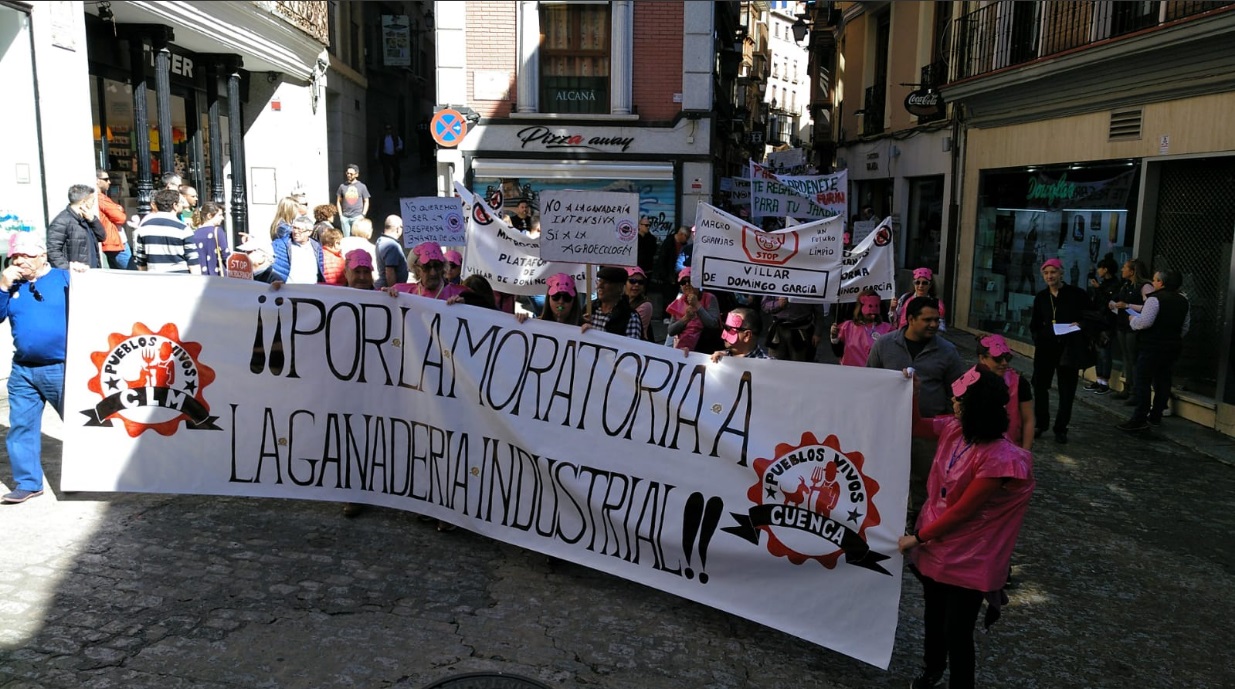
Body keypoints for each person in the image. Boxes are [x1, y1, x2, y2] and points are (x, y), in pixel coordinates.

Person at [898, 367, 1035, 689]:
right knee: (933, 618)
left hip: (971, 559)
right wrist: (913, 391)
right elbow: (916, 425)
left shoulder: (1002, 459)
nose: (953, 403)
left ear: (975, 405)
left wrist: (916, 537)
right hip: (938, 547)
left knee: (957, 630)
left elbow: (963, 511)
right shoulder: (954, 429)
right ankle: (932, 669)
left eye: (959, 399)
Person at [867, 296, 966, 520]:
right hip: (889, 427)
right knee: (886, 477)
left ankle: (918, 524)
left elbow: (958, 392)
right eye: (927, 319)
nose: (934, 324)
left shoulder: (947, 351)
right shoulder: (884, 344)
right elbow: (870, 381)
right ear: (910, 319)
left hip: (929, 430)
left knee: (924, 479)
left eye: (937, 320)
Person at [0, 232, 70, 504]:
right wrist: (3, 287)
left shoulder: (65, 279)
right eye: (15, 256)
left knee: (83, 424)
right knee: (21, 426)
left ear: (43, 255)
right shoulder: (10, 285)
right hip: (23, 371)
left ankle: (105, 472)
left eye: (26, 255)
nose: (20, 261)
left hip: (62, 367)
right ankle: (28, 483)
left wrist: (84, 273)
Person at [1117, 269, 1190, 432]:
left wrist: (1132, 319)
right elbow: (1185, 327)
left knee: (1143, 380)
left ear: (1162, 283)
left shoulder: (1155, 299)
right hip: (1172, 346)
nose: (1153, 283)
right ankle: (1156, 415)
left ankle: (1139, 418)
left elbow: (1145, 322)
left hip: (1152, 345)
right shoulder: (1184, 301)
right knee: (1163, 380)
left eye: (1155, 280)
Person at [1029, 257, 1091, 444]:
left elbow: (1091, 316)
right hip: (1046, 347)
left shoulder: (1077, 294)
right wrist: (1040, 336)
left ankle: (1061, 427)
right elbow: (1035, 323)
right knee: (1040, 385)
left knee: (1067, 389)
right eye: (1046, 273)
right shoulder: (1041, 297)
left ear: (1061, 273)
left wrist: (1080, 324)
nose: (1050, 276)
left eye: (1053, 272)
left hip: (1068, 347)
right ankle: (1041, 423)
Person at [340, 249, 379, 518]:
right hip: (346, 384)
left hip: (381, 384)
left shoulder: (387, 298)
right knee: (351, 435)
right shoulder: (329, 298)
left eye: (367, 272)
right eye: (358, 272)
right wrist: (277, 290)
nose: (363, 277)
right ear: (347, 273)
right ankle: (354, 492)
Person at [976, 334, 1034, 450]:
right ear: (982, 358)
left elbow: (1028, 419)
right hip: (979, 451)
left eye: (1007, 358)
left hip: (1011, 450)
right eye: (997, 358)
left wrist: (1025, 453)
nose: (1004, 363)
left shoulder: (1019, 383)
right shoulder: (972, 381)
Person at [1109, 258, 1153, 403]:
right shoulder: (1126, 285)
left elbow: (1150, 306)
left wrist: (1128, 305)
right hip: (1122, 324)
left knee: (1133, 359)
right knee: (1126, 358)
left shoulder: (1145, 286)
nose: (1122, 270)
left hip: (1134, 326)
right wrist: (1114, 305)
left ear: (1132, 271)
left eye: (1125, 267)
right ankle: (1127, 387)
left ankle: (1136, 392)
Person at [133, 189, 200, 274]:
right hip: (181, 278)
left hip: (155, 277)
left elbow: (141, 261)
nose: (182, 205)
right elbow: (193, 261)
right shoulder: (183, 228)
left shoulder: (144, 227)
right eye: (181, 203)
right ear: (175, 205)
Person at [47, 183, 107, 271]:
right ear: (83, 202)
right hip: (76, 274)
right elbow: (52, 250)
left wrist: (93, 220)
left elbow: (102, 237)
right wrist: (69, 269)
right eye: (92, 201)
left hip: (92, 271)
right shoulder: (62, 221)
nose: (93, 204)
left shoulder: (88, 218)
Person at [830, 288, 895, 367]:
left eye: (876, 306)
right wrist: (834, 338)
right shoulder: (846, 327)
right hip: (850, 374)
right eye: (870, 306)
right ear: (861, 307)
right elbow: (838, 353)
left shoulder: (887, 329)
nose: (873, 311)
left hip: (875, 375)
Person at [1084, 255, 1121, 394]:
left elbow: (1110, 302)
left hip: (1108, 323)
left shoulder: (1115, 285)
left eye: (1100, 268)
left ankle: (1105, 382)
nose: (1098, 271)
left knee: (1105, 352)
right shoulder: (1103, 284)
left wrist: (1098, 289)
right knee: (1097, 351)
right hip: (1097, 321)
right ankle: (1098, 379)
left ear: (1106, 269)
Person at [666, 268, 721, 353]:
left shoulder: (709, 298)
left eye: (690, 281)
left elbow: (713, 324)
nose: (687, 284)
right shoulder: (678, 302)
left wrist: (697, 305)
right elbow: (671, 331)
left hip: (704, 350)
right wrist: (686, 318)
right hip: (681, 350)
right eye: (683, 282)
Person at [257, 215, 324, 284]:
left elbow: (322, 270)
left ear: (309, 232)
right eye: (294, 228)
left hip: (311, 290)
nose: (295, 232)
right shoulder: (280, 245)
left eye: (300, 229)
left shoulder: (317, 247)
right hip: (289, 290)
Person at [582, 266, 644, 339]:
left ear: (619, 287)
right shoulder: (589, 310)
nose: (599, 286)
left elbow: (631, 347)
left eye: (606, 282)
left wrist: (595, 335)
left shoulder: (630, 317)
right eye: (599, 281)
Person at [392, 241, 465, 300]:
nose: (433, 273)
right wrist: (386, 296)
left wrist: (465, 304)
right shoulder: (401, 292)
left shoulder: (461, 293)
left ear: (443, 267)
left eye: (437, 265)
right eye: (426, 267)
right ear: (417, 270)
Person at [762, 295, 824, 362]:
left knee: (799, 363)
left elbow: (819, 311)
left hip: (801, 330)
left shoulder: (811, 285)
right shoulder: (776, 284)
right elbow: (764, 304)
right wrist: (778, 304)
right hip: (778, 330)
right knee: (774, 362)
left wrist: (817, 332)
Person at [96, 169, 132, 270]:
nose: (109, 182)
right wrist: (118, 209)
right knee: (130, 271)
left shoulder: (101, 198)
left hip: (112, 239)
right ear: (97, 180)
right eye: (106, 179)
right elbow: (121, 218)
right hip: (114, 241)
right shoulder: (100, 198)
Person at [517, 273, 583, 326]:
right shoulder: (537, 325)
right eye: (556, 296)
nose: (561, 301)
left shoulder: (585, 327)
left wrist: (591, 333)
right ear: (549, 298)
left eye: (567, 297)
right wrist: (521, 323)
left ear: (574, 301)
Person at [653, 226, 690, 314]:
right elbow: (663, 260)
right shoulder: (669, 242)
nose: (687, 239)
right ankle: (666, 315)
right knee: (668, 296)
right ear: (681, 234)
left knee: (678, 296)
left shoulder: (684, 245)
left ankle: (675, 313)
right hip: (668, 275)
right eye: (687, 237)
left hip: (680, 274)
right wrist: (666, 276)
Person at [192, 202, 229, 276]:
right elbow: (225, 255)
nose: (222, 218)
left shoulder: (194, 233)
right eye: (220, 215)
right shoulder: (217, 231)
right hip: (216, 274)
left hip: (200, 274)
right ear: (209, 216)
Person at [335, 164, 370, 237]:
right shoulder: (342, 186)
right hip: (345, 217)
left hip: (357, 216)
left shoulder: (362, 186)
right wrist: (341, 215)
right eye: (347, 173)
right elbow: (338, 201)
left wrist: (363, 214)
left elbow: (366, 201)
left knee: (357, 237)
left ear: (356, 174)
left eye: (351, 174)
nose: (348, 175)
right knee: (346, 238)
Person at [374, 215, 408, 289]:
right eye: (402, 227)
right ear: (397, 229)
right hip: (389, 291)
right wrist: (393, 290)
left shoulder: (380, 240)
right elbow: (390, 271)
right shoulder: (392, 245)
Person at [625, 266, 654, 340]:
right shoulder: (618, 300)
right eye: (632, 281)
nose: (637, 284)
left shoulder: (645, 305)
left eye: (640, 282)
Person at [376, 124, 403, 191]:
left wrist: (399, 148)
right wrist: (377, 154)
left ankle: (395, 182)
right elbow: (378, 146)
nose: (388, 131)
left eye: (389, 129)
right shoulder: (382, 138)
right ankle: (388, 185)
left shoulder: (395, 137)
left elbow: (400, 144)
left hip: (394, 156)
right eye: (387, 129)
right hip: (385, 156)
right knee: (386, 171)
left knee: (397, 170)